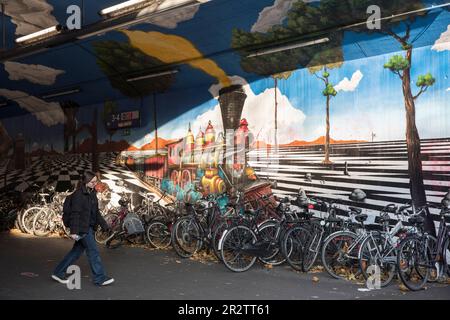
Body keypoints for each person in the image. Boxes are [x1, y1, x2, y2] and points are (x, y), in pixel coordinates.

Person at [52, 171, 114, 286]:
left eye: (96, 181)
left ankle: (58, 272)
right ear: (85, 181)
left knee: (75, 253)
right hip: (82, 229)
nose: (95, 183)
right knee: (93, 252)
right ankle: (100, 278)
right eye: (92, 182)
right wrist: (74, 232)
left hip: (88, 226)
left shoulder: (92, 194)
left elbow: (96, 213)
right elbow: (75, 214)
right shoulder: (78, 195)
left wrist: (105, 226)